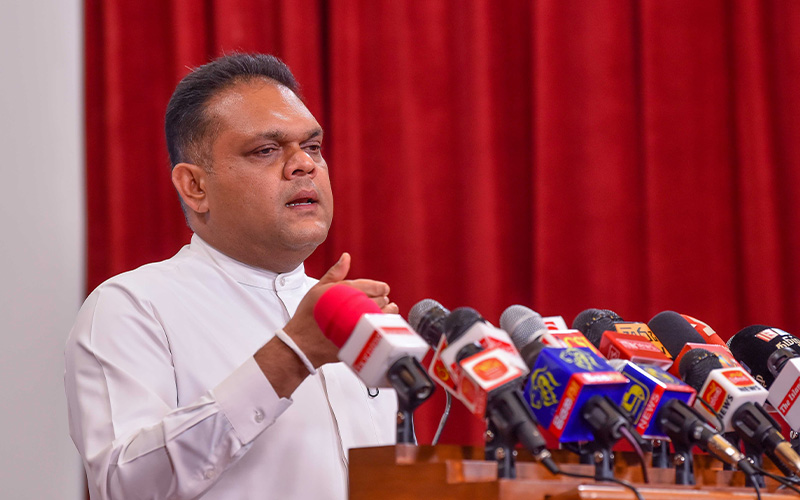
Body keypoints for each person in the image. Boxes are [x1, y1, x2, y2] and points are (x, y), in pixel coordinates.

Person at [64, 53, 398, 500]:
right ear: (195, 186)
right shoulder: (133, 307)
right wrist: (292, 356)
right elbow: (126, 486)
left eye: (313, 146)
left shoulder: (350, 314)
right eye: (266, 150)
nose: (304, 165)